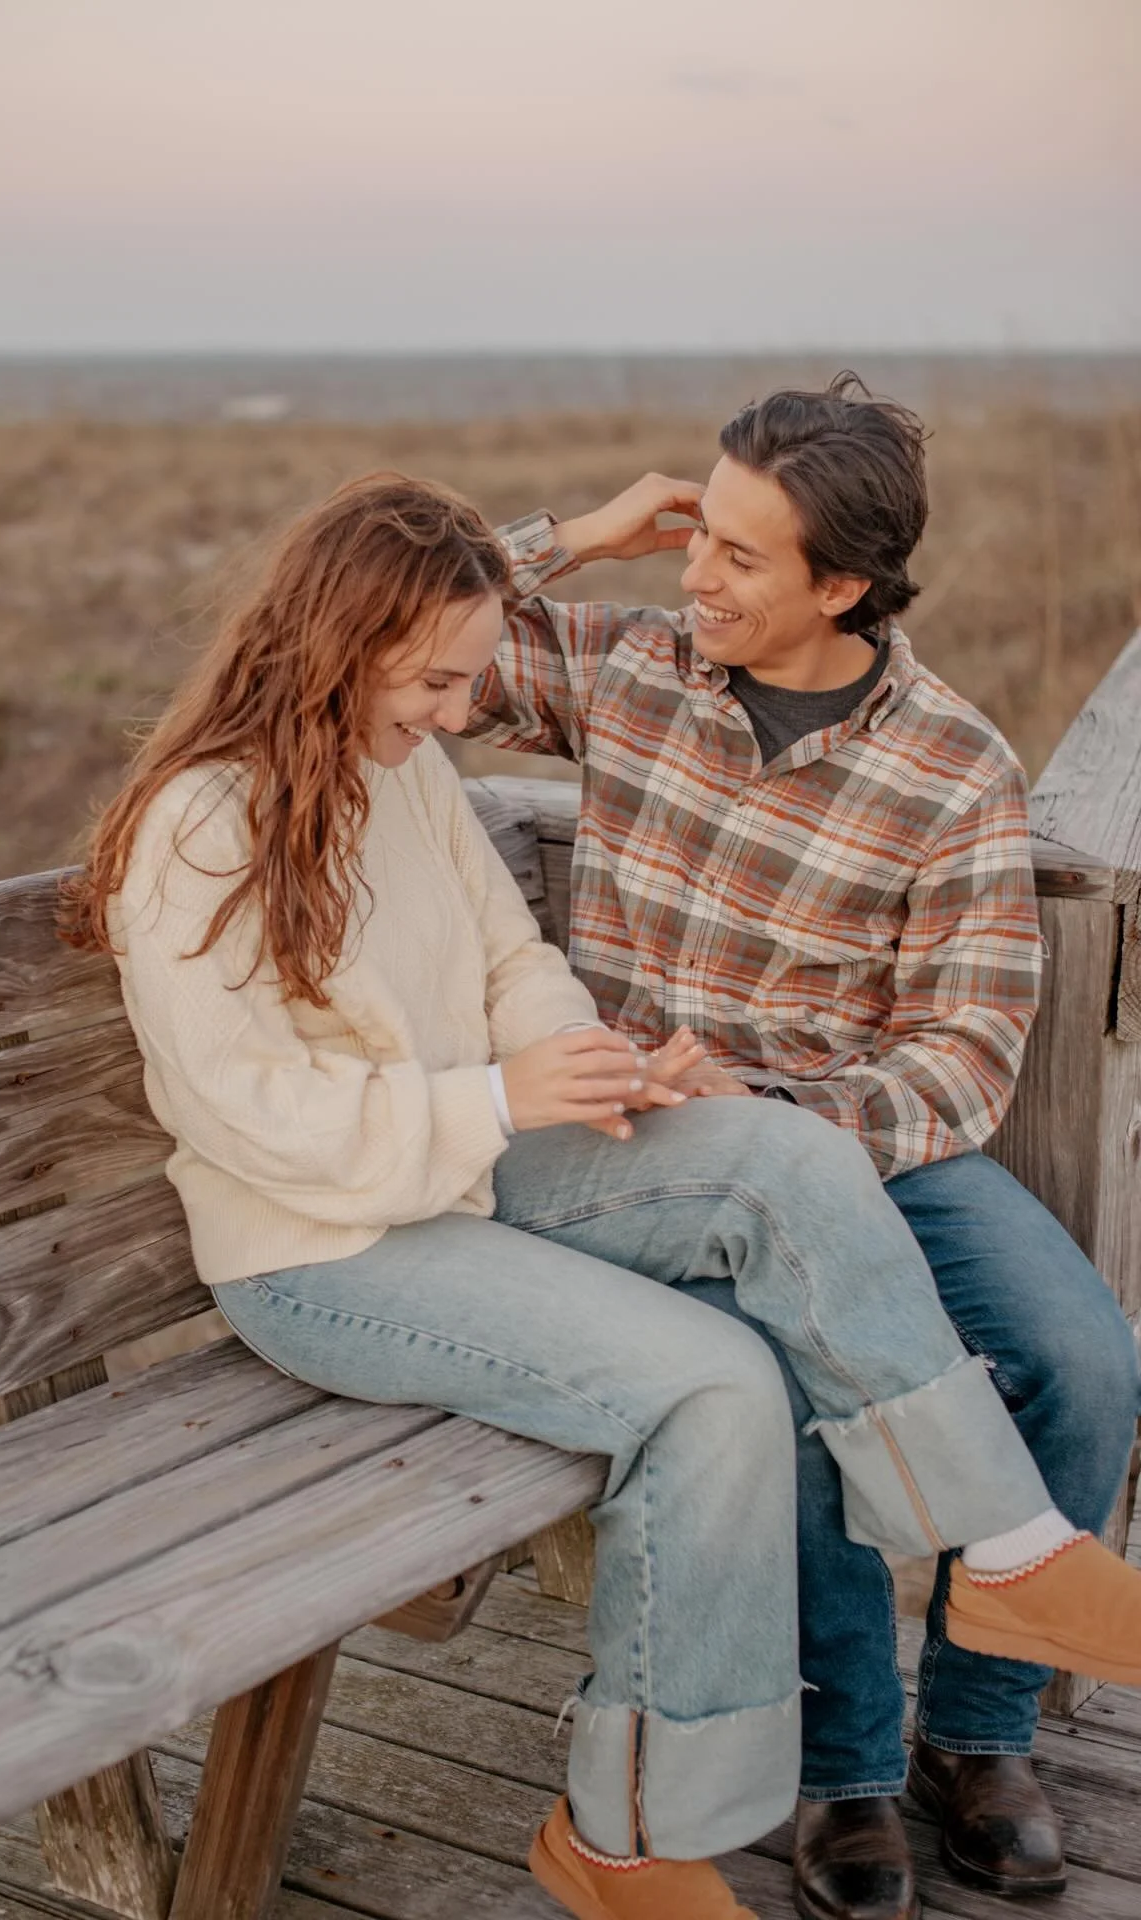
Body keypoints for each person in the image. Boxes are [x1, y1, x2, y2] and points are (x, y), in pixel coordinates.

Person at [62, 473, 1141, 1920]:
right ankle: (636, 1837)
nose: (461, 711)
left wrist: (591, 1066)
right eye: (436, 683)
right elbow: (252, 1118)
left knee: (791, 1162)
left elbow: (511, 957)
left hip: (477, 1160)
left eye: (463, 682)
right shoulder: (198, 827)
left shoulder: (403, 764)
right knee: (722, 1385)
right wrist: (507, 1099)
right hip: (320, 1246)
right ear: (337, 646)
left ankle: (995, 1561)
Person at [467, 376, 1141, 1918]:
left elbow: (966, 1053)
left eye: (739, 554)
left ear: (844, 589)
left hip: (864, 1140)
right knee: (783, 1375)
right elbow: (382, 628)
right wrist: (576, 536)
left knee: (1083, 1356)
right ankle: (845, 1763)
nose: (695, 575)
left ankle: (976, 1738)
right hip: (650, 1156)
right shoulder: (628, 667)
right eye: (698, 531)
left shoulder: (953, 765)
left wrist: (796, 1129)